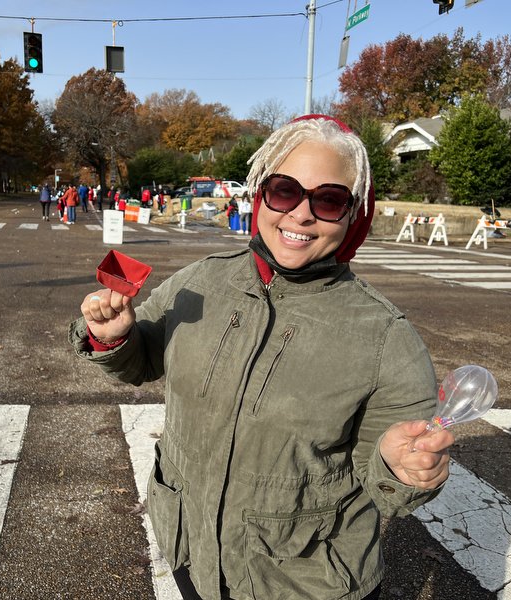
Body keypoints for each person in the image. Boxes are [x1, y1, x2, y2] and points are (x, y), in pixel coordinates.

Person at [69, 115, 453, 600]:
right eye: (285, 190)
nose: (301, 214)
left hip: (304, 582)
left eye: (329, 200)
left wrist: (404, 468)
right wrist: (115, 337)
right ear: (260, 195)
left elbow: (387, 479)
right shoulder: (197, 282)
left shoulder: (385, 338)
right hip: (193, 552)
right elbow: (142, 360)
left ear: (353, 214)